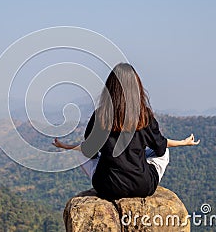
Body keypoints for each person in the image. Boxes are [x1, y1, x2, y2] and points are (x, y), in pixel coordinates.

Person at [53, 63, 199, 200]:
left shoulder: (101, 116)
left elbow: (89, 151)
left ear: (110, 89)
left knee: (82, 154)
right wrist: (182, 143)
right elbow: (160, 147)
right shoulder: (143, 115)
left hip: (108, 188)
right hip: (142, 187)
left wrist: (66, 146)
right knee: (164, 151)